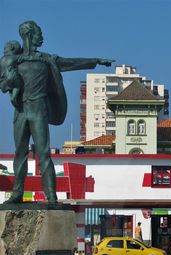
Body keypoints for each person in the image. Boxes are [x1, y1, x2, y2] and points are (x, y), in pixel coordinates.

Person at [1, 21, 113, 204]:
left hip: (39, 111)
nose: (42, 37)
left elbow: (70, 63)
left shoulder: (46, 59)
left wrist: (96, 61)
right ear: (29, 35)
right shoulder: (14, 60)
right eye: (39, 34)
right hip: (21, 112)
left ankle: (51, 196)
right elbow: (4, 84)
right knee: (20, 153)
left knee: (44, 153)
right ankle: (17, 193)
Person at [0, 40, 23, 107]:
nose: (4, 50)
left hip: (4, 77)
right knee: (17, 86)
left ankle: (12, 96)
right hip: (12, 75)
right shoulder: (14, 57)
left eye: (5, 48)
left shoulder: (2, 59)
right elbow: (25, 57)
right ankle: (14, 97)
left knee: (10, 87)